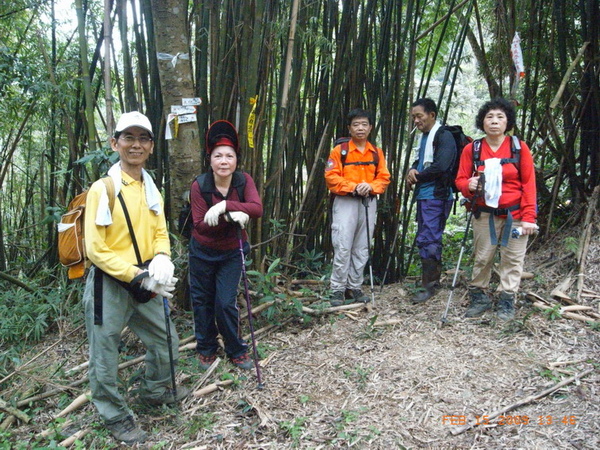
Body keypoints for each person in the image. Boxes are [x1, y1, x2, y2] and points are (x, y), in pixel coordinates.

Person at [83, 111, 189, 445]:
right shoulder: (104, 188)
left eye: (143, 138)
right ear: (114, 143)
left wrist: (163, 258)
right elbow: (96, 249)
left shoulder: (150, 185)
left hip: (148, 277)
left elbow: (160, 231)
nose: (136, 144)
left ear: (151, 146)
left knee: (166, 339)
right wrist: (137, 275)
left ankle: (155, 391)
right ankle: (114, 415)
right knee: (105, 350)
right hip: (110, 283)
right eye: (128, 137)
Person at [189, 120, 263, 371]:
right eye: (218, 156)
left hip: (232, 251)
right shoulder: (200, 185)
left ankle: (236, 349)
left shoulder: (243, 181)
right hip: (202, 251)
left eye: (229, 156)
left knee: (225, 301)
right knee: (202, 301)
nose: (223, 161)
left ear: (236, 160)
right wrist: (230, 216)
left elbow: (257, 209)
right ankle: (206, 348)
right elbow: (199, 224)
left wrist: (227, 207)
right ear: (209, 159)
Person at [455, 98, 537, 320]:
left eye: (500, 117)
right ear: (482, 122)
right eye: (489, 117)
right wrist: (468, 185)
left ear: (508, 122)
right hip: (484, 213)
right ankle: (479, 296)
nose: (494, 121)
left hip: (516, 214)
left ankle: (506, 298)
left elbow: (529, 184)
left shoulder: (519, 147)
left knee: (513, 258)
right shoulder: (473, 149)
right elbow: (461, 180)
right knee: (483, 256)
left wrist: (529, 216)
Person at [325, 108, 391, 306]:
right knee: (343, 244)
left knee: (362, 246)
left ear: (370, 128)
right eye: (356, 124)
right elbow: (331, 177)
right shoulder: (340, 151)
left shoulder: (376, 153)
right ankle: (337, 288)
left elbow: (384, 177)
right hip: (345, 201)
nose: (360, 128)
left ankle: (355, 286)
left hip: (368, 203)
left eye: (364, 124)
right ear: (349, 128)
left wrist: (370, 186)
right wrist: (353, 187)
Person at [406, 98, 457, 303]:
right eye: (413, 117)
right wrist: (411, 169)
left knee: (429, 239)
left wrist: (416, 176)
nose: (416, 121)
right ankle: (430, 282)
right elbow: (419, 162)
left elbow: (441, 166)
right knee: (426, 237)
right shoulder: (425, 137)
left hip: (437, 195)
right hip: (425, 195)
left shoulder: (444, 135)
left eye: (419, 116)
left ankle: (430, 286)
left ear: (432, 115)